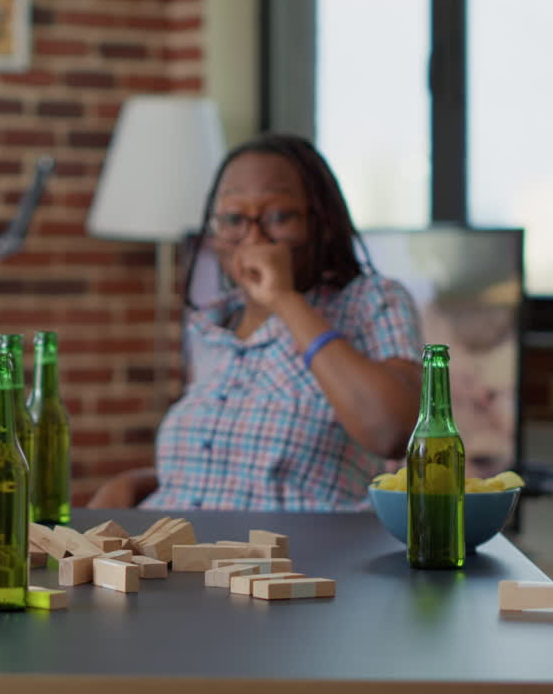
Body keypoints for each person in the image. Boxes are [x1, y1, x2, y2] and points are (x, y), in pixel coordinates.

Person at [88, 133, 423, 511]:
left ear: (322, 223)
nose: (253, 237)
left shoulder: (371, 302)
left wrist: (284, 300)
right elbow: (230, 469)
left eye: (278, 216)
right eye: (233, 218)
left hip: (288, 563)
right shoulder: (213, 326)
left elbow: (393, 432)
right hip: (178, 558)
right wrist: (137, 483)